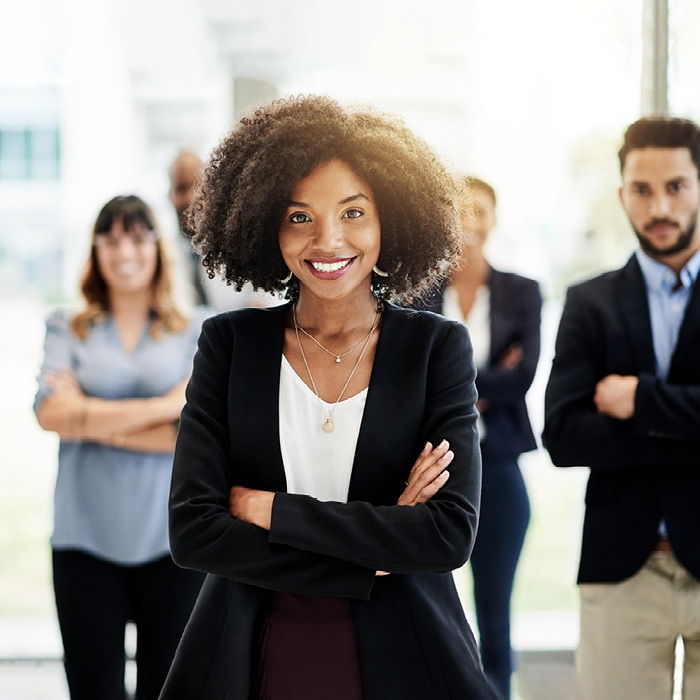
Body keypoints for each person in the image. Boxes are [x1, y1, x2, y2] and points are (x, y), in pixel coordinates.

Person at [159, 96, 498, 700]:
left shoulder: (436, 349)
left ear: (390, 218)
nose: (327, 239)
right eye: (298, 216)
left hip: (407, 654)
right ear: (265, 224)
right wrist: (378, 547)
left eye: (353, 212)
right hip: (251, 655)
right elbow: (194, 532)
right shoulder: (229, 345)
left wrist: (273, 512)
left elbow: (445, 537)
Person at [543, 116, 700, 700]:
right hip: (622, 568)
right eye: (642, 189)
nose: (659, 205)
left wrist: (640, 401)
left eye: (676, 186)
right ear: (621, 194)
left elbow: (601, 429)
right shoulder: (590, 302)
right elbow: (562, 435)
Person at [34, 195, 206, 700]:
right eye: (109, 239)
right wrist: (165, 405)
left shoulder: (197, 329)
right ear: (94, 250)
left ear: (158, 246)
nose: (123, 251)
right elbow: (49, 413)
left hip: (171, 542)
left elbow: (196, 439)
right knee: (93, 690)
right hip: (84, 539)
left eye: (136, 236)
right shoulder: (68, 326)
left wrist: (86, 417)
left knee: (169, 689)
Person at [419, 177, 541, 699]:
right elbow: (412, 381)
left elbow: (522, 378)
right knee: (428, 612)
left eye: (480, 211)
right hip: (429, 468)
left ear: (494, 219)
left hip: (500, 466)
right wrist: (482, 384)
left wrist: (451, 388)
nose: (470, 222)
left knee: (495, 613)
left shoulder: (522, 290)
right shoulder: (416, 292)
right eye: (460, 212)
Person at [169, 149, 280, 312]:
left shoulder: (247, 247)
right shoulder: (163, 253)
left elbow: (260, 311)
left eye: (198, 186)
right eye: (181, 188)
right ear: (169, 195)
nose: (191, 198)